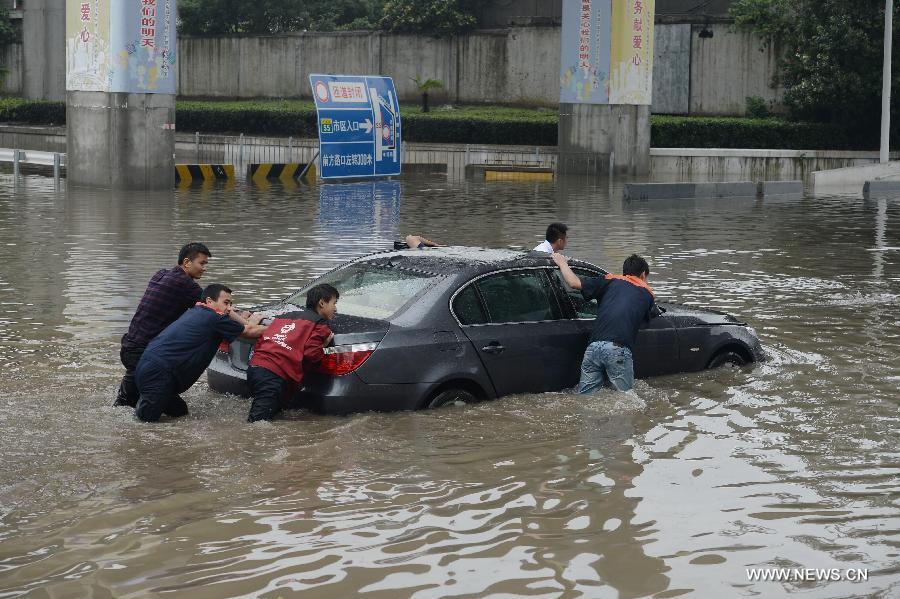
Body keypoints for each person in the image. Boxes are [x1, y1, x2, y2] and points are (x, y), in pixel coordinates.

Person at [134, 283, 266, 422]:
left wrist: (246, 320)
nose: (229, 308)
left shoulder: (196, 311)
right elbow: (249, 332)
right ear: (209, 301)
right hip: (159, 375)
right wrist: (280, 326)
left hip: (149, 367)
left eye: (230, 304)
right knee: (145, 424)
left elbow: (240, 325)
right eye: (226, 303)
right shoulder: (214, 319)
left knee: (179, 413)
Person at [115, 242, 211, 408]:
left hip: (130, 348)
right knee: (178, 411)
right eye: (201, 263)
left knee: (124, 404)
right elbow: (216, 307)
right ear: (187, 262)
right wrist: (245, 317)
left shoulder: (161, 274)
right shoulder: (185, 285)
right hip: (144, 355)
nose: (204, 268)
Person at [551, 252, 662, 393]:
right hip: (618, 349)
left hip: (593, 348)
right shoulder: (647, 294)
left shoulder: (609, 280)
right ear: (643, 275)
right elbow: (649, 318)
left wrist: (562, 263)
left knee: (586, 398)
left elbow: (573, 283)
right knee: (626, 400)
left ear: (625, 272)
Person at [246, 284, 339, 423]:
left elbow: (264, 340)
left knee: (270, 415)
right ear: (322, 303)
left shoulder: (284, 316)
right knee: (256, 424)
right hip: (274, 375)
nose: (335, 308)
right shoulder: (320, 324)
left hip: (255, 367)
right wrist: (323, 347)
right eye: (334, 303)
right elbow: (311, 354)